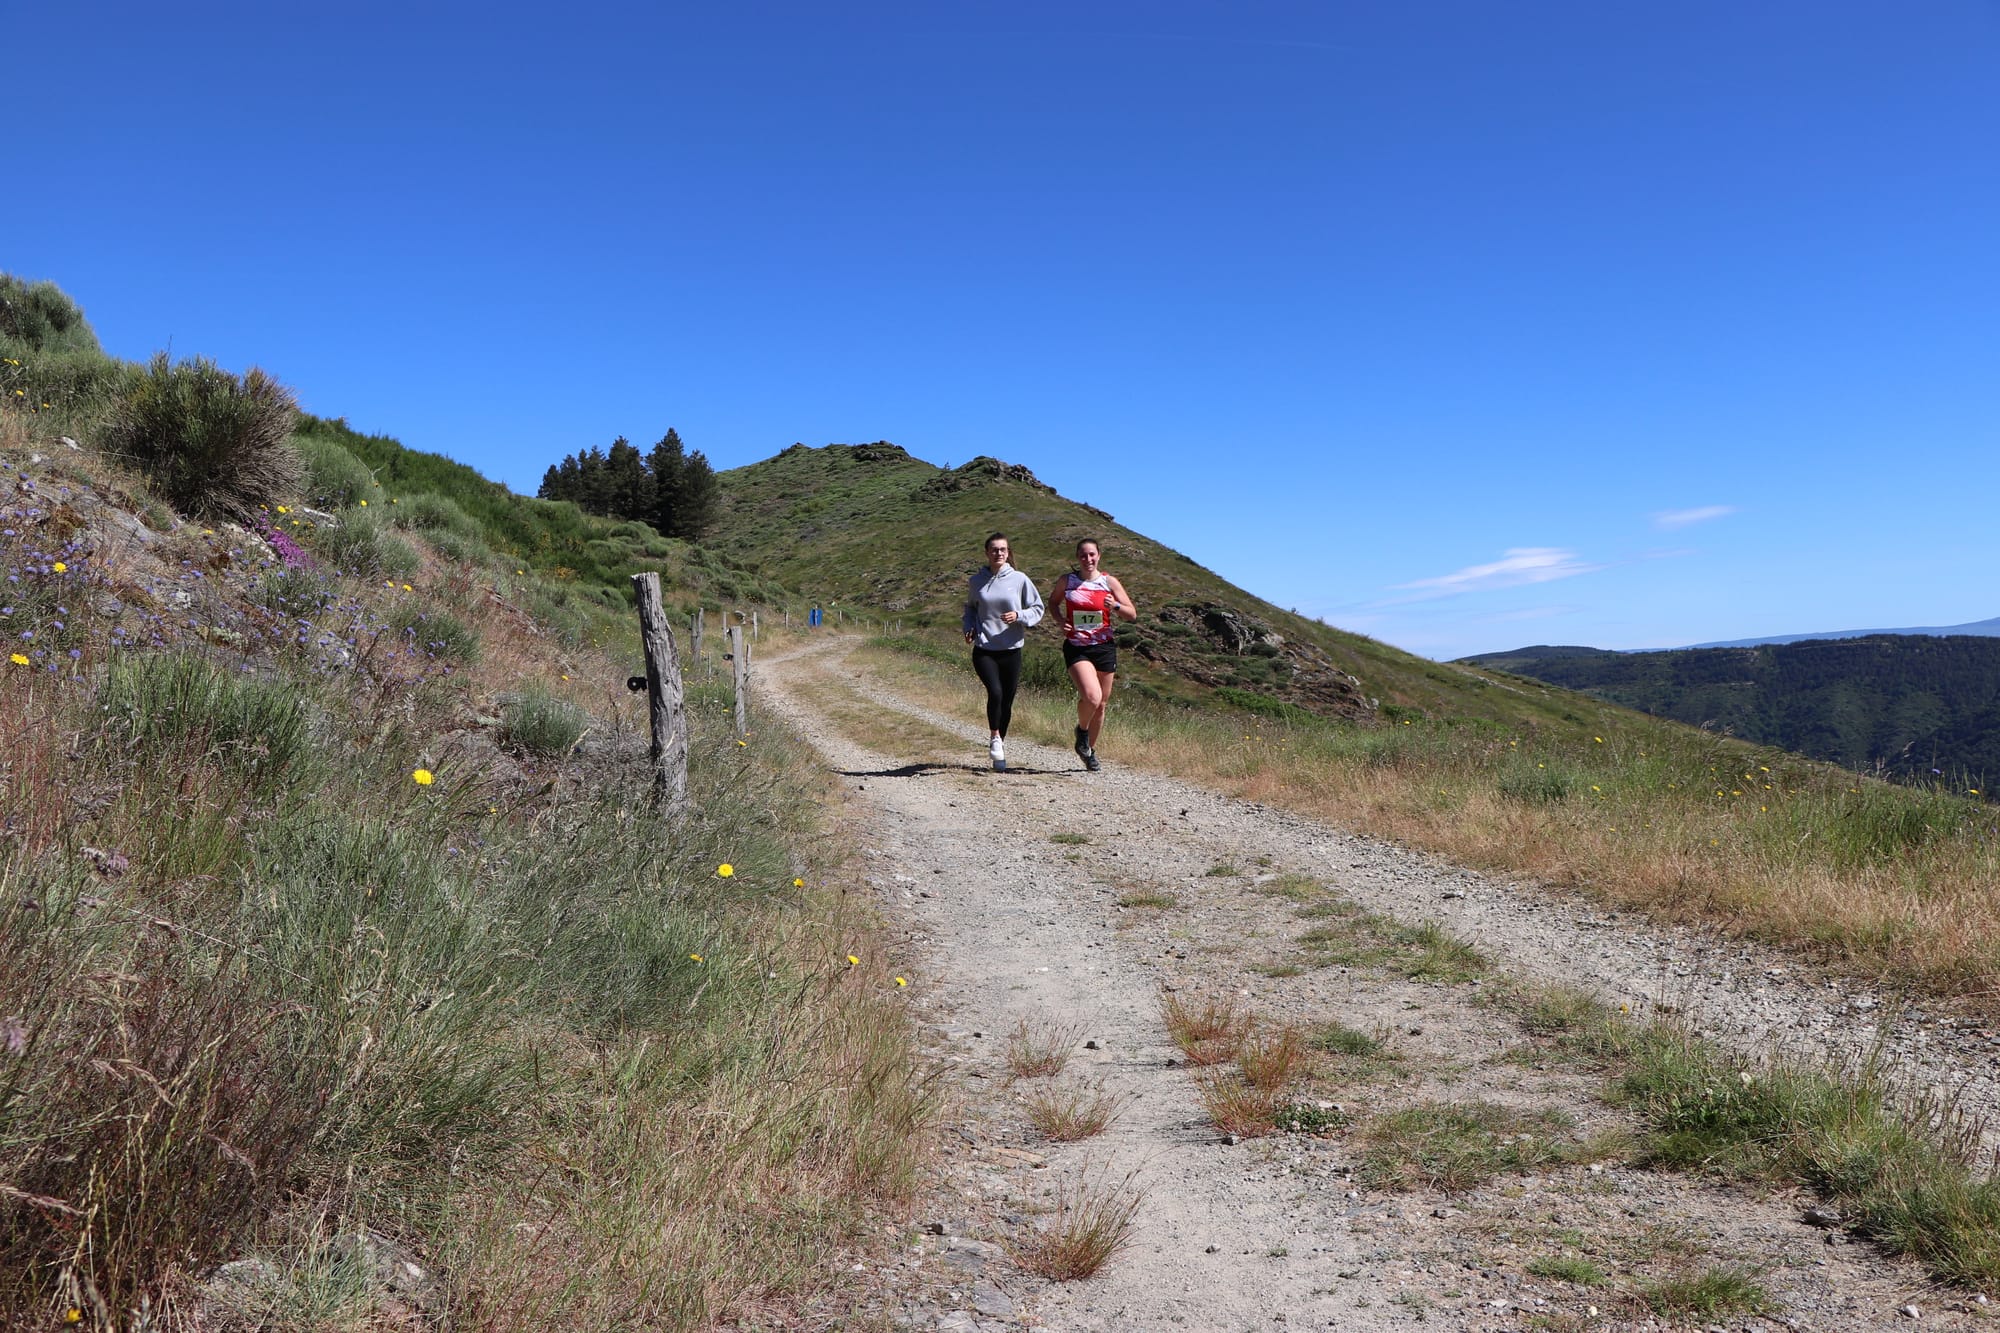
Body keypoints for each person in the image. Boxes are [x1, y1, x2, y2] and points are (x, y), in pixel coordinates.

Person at [1048, 537, 1136, 771]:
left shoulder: (1109, 582)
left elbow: (1132, 614)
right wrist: (1060, 621)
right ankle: (1082, 730)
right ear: (1077, 557)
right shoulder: (1067, 581)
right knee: (1092, 697)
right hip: (1077, 646)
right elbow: (1053, 603)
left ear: (1099, 556)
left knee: (1101, 705)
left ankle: (1088, 751)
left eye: (1092, 554)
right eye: (1083, 555)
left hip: (1104, 647)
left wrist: (1115, 606)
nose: (1088, 559)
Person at [962, 532, 1044, 770]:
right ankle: (994, 736)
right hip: (984, 648)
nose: (998, 553)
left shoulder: (1019, 579)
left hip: (1011, 649)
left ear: (1008, 553)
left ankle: (1000, 745)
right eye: (994, 549)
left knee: (1007, 701)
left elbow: (1037, 608)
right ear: (987, 553)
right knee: (995, 693)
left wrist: (1019, 615)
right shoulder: (976, 581)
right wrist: (969, 627)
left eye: (1003, 549)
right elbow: (970, 608)